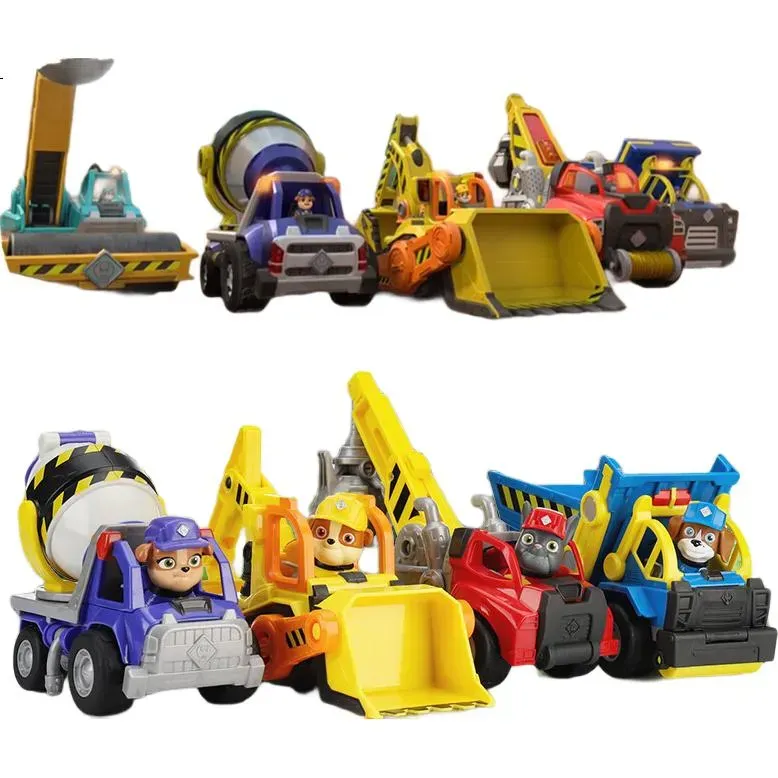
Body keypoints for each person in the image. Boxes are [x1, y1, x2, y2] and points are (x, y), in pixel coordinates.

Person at [134, 516, 213, 600]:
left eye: (194, 561)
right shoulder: (139, 578)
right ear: (147, 553)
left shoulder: (199, 590)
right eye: (168, 563)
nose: (186, 568)